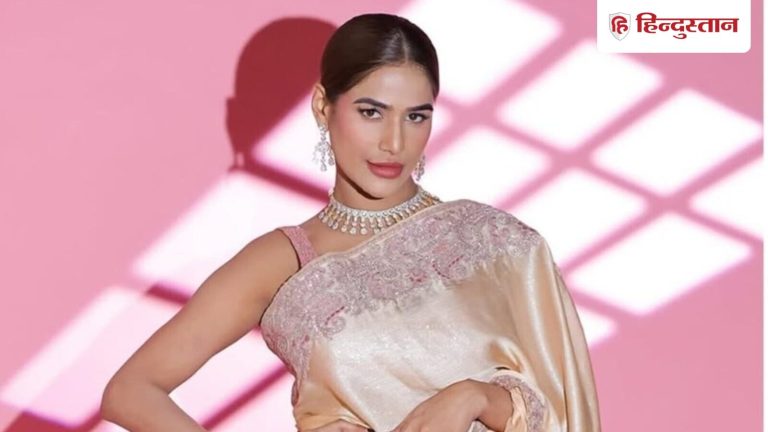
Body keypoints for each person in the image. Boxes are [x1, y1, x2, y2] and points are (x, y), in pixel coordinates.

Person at [100, 13, 601, 432]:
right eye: (371, 112)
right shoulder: (285, 262)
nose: (394, 143)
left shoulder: (495, 242)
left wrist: (473, 397)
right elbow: (130, 391)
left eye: (416, 116)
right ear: (324, 107)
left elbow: (569, 410)